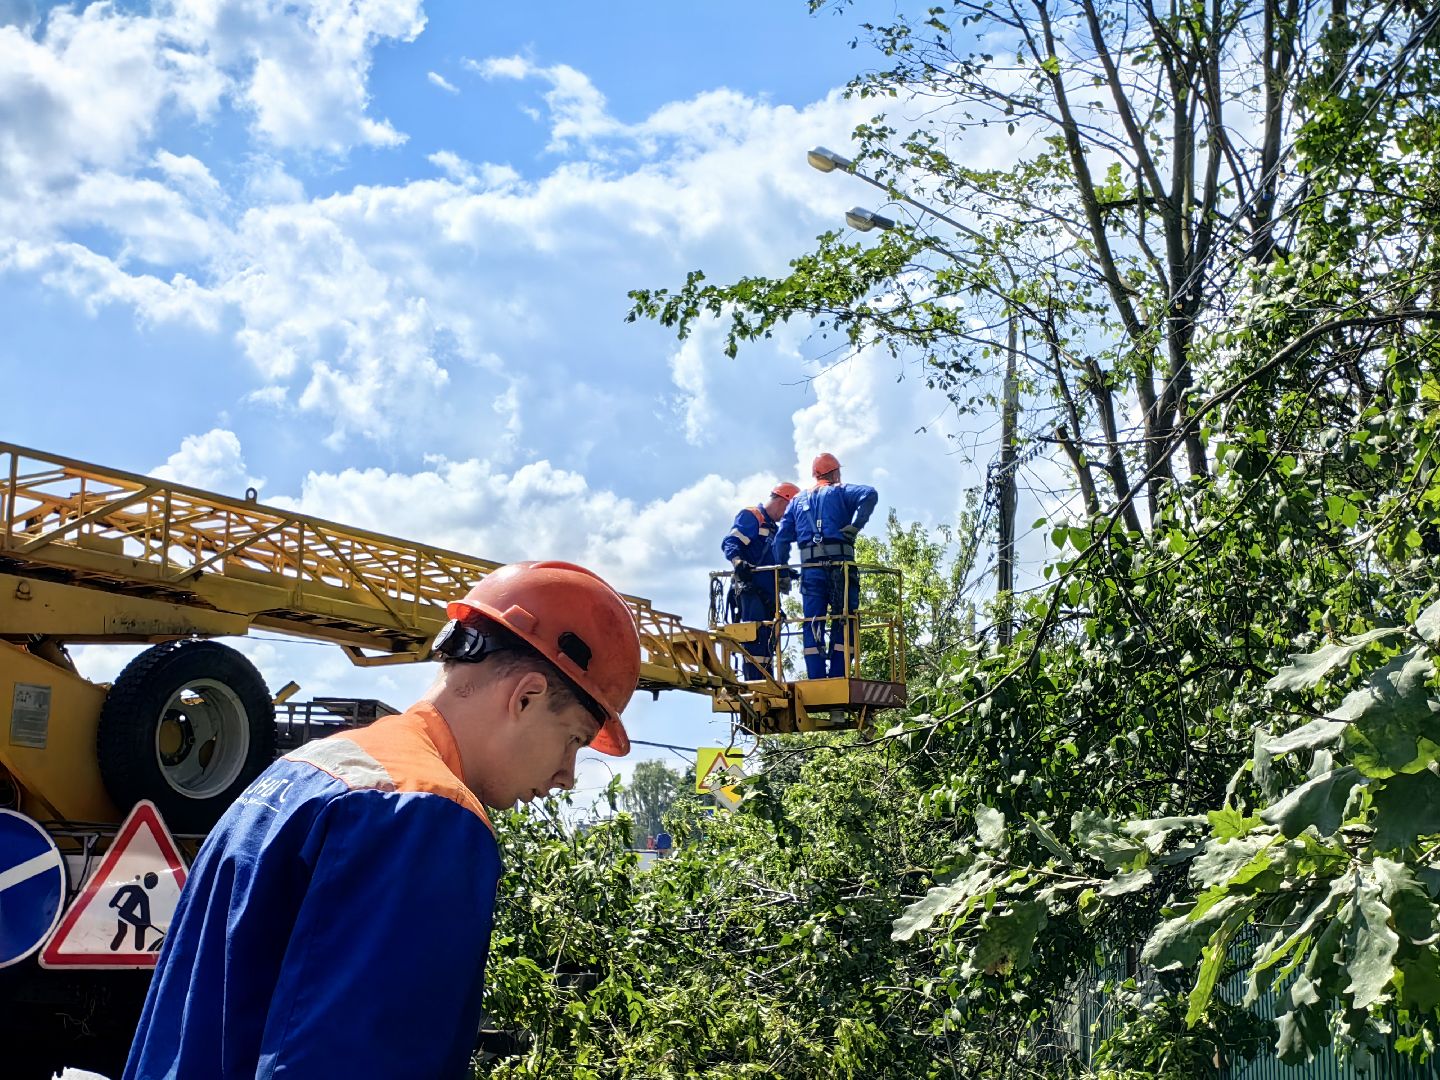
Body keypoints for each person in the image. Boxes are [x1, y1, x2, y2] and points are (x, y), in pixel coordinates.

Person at [123, 561, 641, 1080]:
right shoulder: (425, 814)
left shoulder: (301, 772)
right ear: (525, 697)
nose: (567, 775)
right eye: (573, 740)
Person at [775, 454, 879, 679]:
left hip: (811, 570)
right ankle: (840, 674)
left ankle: (816, 677)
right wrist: (856, 526)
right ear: (835, 473)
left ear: (816, 474)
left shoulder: (797, 501)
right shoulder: (840, 491)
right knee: (845, 618)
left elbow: (781, 539)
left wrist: (782, 571)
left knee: (813, 620)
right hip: (841, 569)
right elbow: (870, 494)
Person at [720, 481, 800, 679]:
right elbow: (731, 542)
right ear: (783, 501)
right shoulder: (752, 516)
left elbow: (770, 559)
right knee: (755, 637)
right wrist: (738, 562)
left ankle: (766, 680)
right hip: (751, 591)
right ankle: (756, 683)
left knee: (768, 639)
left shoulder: (773, 529)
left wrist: (787, 573)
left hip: (767, 594)